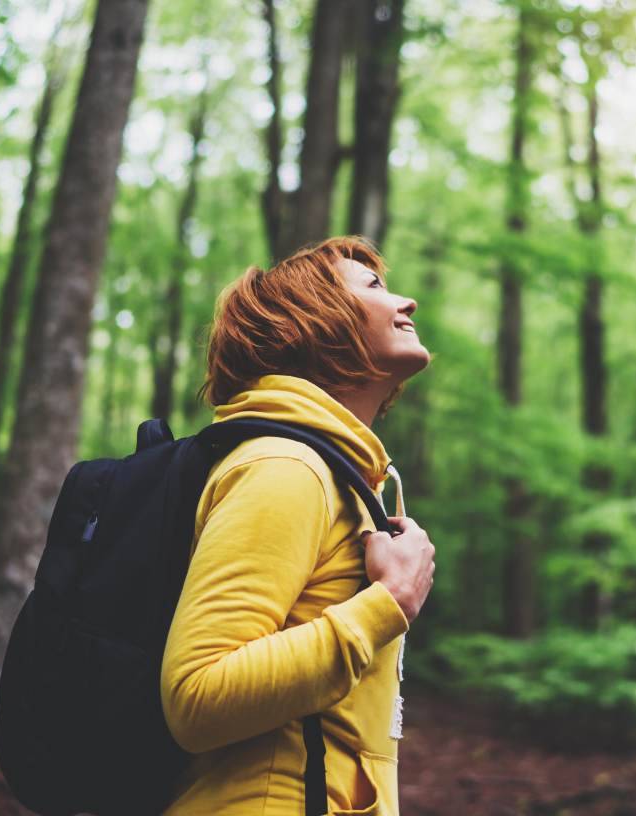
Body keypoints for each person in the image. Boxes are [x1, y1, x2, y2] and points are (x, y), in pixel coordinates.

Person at [160, 237, 436, 815]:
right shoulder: (285, 469)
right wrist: (389, 603)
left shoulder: (331, 474)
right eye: (376, 288)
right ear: (317, 323)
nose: (408, 302)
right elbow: (197, 696)